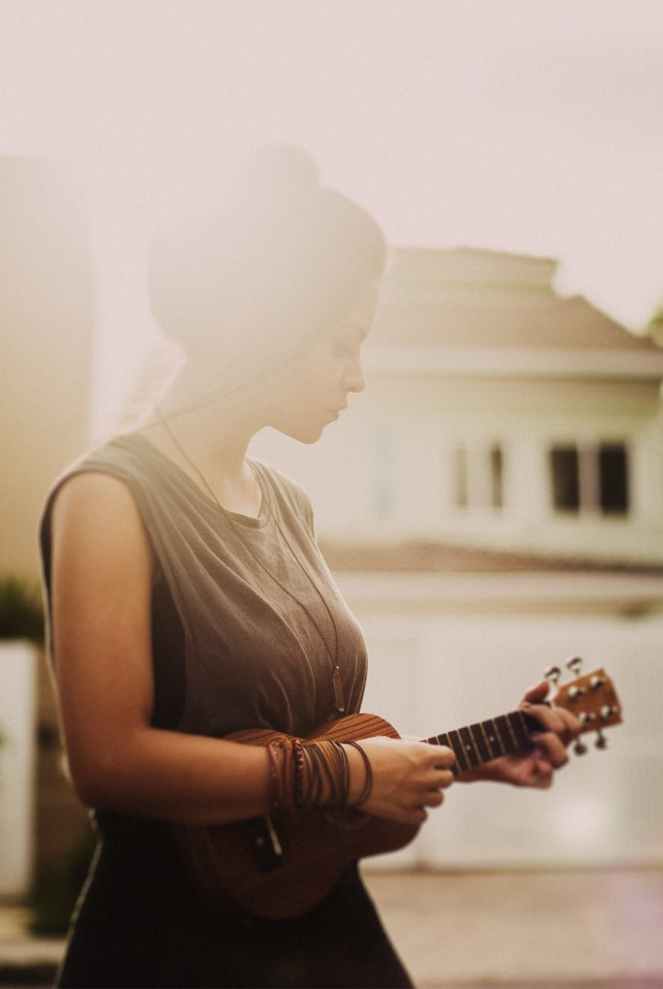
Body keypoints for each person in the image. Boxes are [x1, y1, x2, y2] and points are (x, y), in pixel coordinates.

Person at [38, 146, 580, 989]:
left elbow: (314, 753)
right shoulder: (109, 496)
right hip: (169, 953)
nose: (356, 377)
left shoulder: (289, 504)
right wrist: (360, 770)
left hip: (328, 937)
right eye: (341, 342)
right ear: (268, 321)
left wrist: (470, 754)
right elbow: (108, 760)